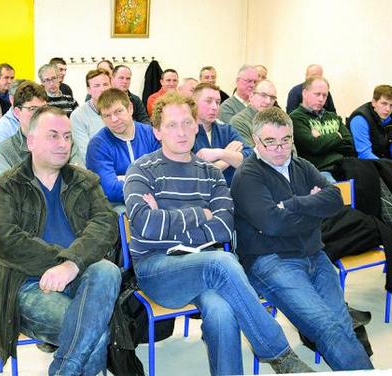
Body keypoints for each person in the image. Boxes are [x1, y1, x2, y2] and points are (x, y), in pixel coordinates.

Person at [123, 92, 313, 375]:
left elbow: (224, 227)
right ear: (157, 131)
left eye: (187, 123)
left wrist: (169, 223)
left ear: (197, 125)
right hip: (158, 269)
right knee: (221, 261)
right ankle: (280, 355)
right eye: (172, 125)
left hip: (205, 266)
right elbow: (146, 225)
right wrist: (201, 215)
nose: (182, 131)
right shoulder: (141, 170)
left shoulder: (210, 174)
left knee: (222, 311)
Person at [230, 107, 374, 371]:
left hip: (314, 254)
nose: (280, 148)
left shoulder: (303, 166)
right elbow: (272, 223)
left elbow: (334, 200)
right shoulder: (247, 176)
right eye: (270, 142)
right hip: (271, 261)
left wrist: (293, 204)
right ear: (255, 140)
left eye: (286, 140)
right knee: (326, 325)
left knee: (343, 323)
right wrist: (313, 209)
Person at [0, 105, 120, 375]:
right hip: (27, 285)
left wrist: (72, 265)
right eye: (54, 136)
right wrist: (64, 261)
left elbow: (106, 225)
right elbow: (5, 241)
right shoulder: (6, 187)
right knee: (95, 333)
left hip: (80, 275)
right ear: (30, 141)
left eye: (68, 137)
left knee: (107, 269)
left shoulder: (85, 180)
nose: (63, 144)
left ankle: (63, 368)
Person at [86, 88, 159, 206]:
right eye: (107, 116)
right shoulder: (98, 145)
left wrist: (124, 179)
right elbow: (110, 190)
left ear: (130, 108)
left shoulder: (151, 134)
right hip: (118, 206)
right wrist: (146, 180)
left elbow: (164, 178)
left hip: (157, 202)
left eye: (118, 111)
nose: (114, 120)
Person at [290, 77, 355, 181]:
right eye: (317, 94)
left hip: (344, 166)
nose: (321, 99)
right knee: (336, 192)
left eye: (325, 95)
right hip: (319, 170)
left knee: (367, 181)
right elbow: (314, 146)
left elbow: (349, 144)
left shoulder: (333, 116)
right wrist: (337, 135)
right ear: (305, 93)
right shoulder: (296, 118)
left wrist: (321, 139)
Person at [193, 83, 252, 185]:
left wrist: (220, 153)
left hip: (229, 192)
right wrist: (229, 158)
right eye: (208, 101)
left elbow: (249, 159)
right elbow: (196, 175)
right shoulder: (186, 134)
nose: (214, 107)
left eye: (217, 102)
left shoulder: (227, 130)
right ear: (194, 103)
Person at [0, 81, 49, 176]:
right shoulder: (3, 151)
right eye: (33, 109)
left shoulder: (64, 141)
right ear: (17, 112)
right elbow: (4, 189)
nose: (41, 114)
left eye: (44, 108)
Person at [348, 85, 392, 164]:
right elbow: (364, 154)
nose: (388, 109)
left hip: (384, 162)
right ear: (374, 102)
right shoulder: (360, 119)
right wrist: (388, 168)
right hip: (360, 164)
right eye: (384, 104)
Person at [71, 69, 112, 166]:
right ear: (89, 90)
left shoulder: (118, 110)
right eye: (97, 86)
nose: (102, 89)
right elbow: (86, 152)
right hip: (89, 167)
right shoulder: (78, 115)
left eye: (105, 84)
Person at [230, 79, 278, 147]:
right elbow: (249, 153)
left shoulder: (278, 120)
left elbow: (292, 151)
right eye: (263, 95)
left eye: (272, 98)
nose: (268, 101)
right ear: (251, 96)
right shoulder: (238, 122)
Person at [0, 79, 25, 148]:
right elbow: (2, 157)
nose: (27, 101)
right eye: (22, 97)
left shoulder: (40, 118)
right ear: (11, 99)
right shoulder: (1, 127)